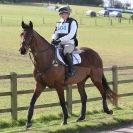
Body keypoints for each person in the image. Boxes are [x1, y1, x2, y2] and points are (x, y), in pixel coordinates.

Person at [51, 6, 78, 77]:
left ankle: (72, 70)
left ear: (68, 14)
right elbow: (55, 32)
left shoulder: (73, 22)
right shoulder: (59, 22)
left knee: (65, 51)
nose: (63, 15)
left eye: (65, 13)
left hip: (69, 42)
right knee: (50, 50)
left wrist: (59, 40)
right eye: (61, 14)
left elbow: (71, 34)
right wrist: (53, 39)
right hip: (59, 42)